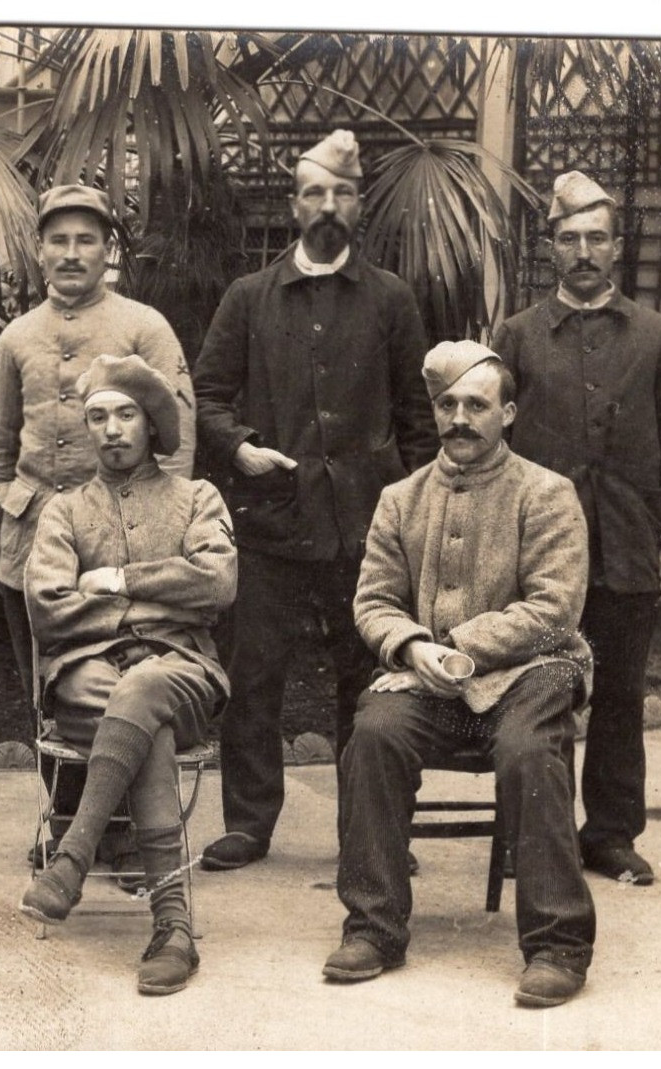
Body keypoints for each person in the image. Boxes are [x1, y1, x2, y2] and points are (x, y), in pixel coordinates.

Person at [190, 128, 437, 871]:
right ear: (292, 205)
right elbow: (204, 395)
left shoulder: (391, 299)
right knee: (255, 675)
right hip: (272, 519)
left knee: (369, 681)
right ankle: (248, 823)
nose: (326, 205)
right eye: (312, 192)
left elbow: (417, 417)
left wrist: (415, 510)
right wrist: (237, 446)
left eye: (340, 192)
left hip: (368, 525)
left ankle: (371, 823)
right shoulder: (248, 297)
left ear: (358, 205)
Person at [323, 340, 596, 1008]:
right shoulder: (400, 498)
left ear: (507, 412)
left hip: (532, 670)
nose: (459, 417)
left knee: (529, 751)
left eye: (476, 404)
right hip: (430, 675)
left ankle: (558, 943)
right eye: (446, 403)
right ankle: (373, 926)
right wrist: (412, 648)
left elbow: (553, 608)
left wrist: (458, 649)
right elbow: (373, 600)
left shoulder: (546, 493)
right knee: (376, 730)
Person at [491, 171, 661, 888]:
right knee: (534, 691)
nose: (582, 251)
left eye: (595, 238)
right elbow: (494, 445)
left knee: (617, 696)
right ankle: (534, 832)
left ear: (615, 248)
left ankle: (610, 834)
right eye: (568, 238)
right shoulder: (516, 336)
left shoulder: (654, 335)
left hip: (626, 545)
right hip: (539, 554)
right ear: (549, 248)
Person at [0, 184, 197, 872]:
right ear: (39, 250)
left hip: (121, 538)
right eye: (58, 240)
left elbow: (179, 445)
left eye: (86, 240)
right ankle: (64, 820)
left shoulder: (144, 327)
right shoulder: (17, 335)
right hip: (32, 541)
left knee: (125, 672)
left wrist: (160, 539)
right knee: (47, 688)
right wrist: (0, 540)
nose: (71, 253)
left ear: (108, 249)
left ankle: (129, 830)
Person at [19, 354, 235, 996]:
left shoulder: (198, 498)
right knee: (141, 701)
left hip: (186, 670)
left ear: (152, 423)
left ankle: (73, 855)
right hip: (88, 673)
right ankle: (173, 927)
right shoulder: (63, 511)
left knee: (147, 688)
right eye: (97, 417)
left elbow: (218, 583)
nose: (111, 429)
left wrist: (118, 581)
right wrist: (156, 607)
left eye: (126, 415)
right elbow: (47, 605)